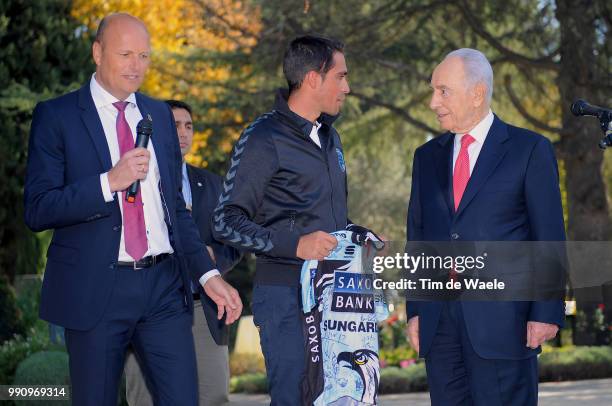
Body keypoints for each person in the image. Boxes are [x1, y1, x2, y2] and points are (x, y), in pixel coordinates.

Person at [23, 13, 242, 406]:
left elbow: (175, 210)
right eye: (126, 54)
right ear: (97, 52)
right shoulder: (57, 116)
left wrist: (208, 275)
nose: (136, 66)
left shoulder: (158, 113)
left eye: (144, 56)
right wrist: (109, 181)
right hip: (96, 290)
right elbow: (38, 209)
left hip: (163, 288)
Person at [212, 35, 380, 404]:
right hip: (286, 298)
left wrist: (355, 233)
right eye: (341, 76)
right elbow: (225, 220)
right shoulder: (263, 136)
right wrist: (296, 245)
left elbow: (318, 215)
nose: (347, 87)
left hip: (336, 298)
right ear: (313, 79)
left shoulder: (331, 137)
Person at [405, 48, 565, 405]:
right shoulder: (426, 158)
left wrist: (545, 311)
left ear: (477, 93)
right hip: (440, 328)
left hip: (506, 325)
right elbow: (417, 239)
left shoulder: (530, 150)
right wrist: (415, 310)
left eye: (442, 90)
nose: (433, 101)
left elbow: (549, 237)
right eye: (433, 90)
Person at [124, 100, 242, 406]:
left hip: (203, 307)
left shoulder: (214, 184)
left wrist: (214, 257)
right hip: (149, 305)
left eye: (188, 126)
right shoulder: (134, 179)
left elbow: (233, 244)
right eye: (175, 125)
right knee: (145, 398)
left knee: (213, 394)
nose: (183, 133)